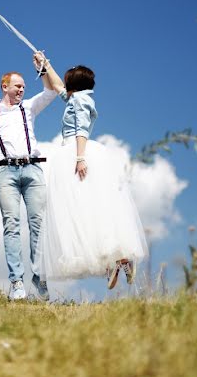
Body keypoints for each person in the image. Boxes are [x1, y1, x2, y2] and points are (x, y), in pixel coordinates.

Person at [35, 54, 148, 289]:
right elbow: (57, 87)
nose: (64, 85)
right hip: (75, 152)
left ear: (73, 84)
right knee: (89, 210)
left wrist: (79, 158)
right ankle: (117, 261)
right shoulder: (77, 97)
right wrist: (45, 66)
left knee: (83, 210)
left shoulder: (80, 102)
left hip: (76, 153)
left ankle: (118, 260)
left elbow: (82, 129)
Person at [0, 54, 58, 301]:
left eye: (24, 87)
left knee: (38, 224)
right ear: (4, 86)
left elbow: (51, 92)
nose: (22, 90)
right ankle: (17, 282)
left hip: (33, 169)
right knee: (12, 225)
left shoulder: (28, 107)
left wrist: (44, 68)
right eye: (18, 86)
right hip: (5, 171)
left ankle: (39, 280)